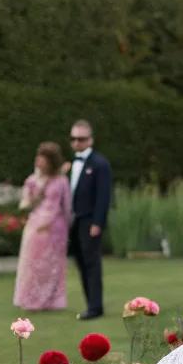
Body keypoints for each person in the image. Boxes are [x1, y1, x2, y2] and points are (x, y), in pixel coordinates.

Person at [13, 142, 71, 310]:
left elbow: (67, 206)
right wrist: (33, 192)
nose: (39, 163)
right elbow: (24, 205)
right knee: (33, 264)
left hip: (56, 227)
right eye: (38, 159)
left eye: (43, 160)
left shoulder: (61, 181)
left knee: (53, 266)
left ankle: (51, 300)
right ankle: (32, 299)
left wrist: (68, 228)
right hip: (36, 225)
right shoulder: (32, 181)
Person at [67, 119, 112, 320]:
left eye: (81, 138)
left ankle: (95, 307)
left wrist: (97, 222)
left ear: (90, 140)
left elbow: (103, 196)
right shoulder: (72, 164)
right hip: (74, 221)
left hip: (89, 221)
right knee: (81, 262)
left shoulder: (100, 164)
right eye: (73, 138)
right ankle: (90, 304)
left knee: (92, 264)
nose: (77, 142)